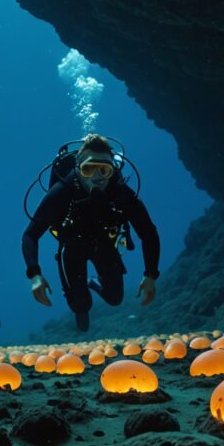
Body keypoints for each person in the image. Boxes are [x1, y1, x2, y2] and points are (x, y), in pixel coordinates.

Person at [22, 134, 160, 331]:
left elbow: (148, 233)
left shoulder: (122, 194)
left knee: (115, 299)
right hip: (71, 248)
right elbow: (30, 235)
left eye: (104, 170)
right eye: (89, 169)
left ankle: (93, 283)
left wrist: (150, 275)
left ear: (113, 170)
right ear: (78, 169)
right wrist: (35, 275)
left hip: (105, 245)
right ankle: (81, 307)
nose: (96, 178)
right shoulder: (62, 192)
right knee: (81, 306)